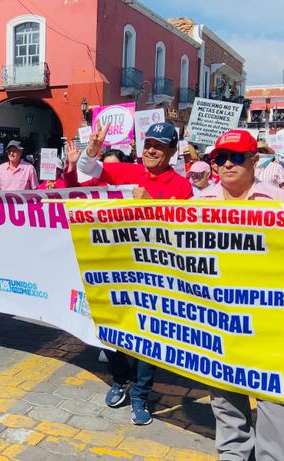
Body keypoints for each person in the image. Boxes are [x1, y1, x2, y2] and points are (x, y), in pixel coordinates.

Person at [200, 129, 284, 461]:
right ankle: (233, 455)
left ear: (254, 160)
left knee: (273, 390)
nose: (227, 164)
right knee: (223, 386)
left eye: (237, 157)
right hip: (217, 310)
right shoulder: (199, 204)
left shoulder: (281, 202)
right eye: (220, 158)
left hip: (273, 309)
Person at [72, 121, 193, 426]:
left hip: (153, 274)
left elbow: (184, 232)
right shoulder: (127, 171)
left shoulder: (182, 185)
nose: (151, 150)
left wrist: (151, 206)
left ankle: (141, 394)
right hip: (114, 268)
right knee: (108, 329)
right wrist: (93, 147)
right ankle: (120, 379)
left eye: (160, 145)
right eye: (148, 143)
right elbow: (88, 169)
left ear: (172, 151)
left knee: (148, 338)